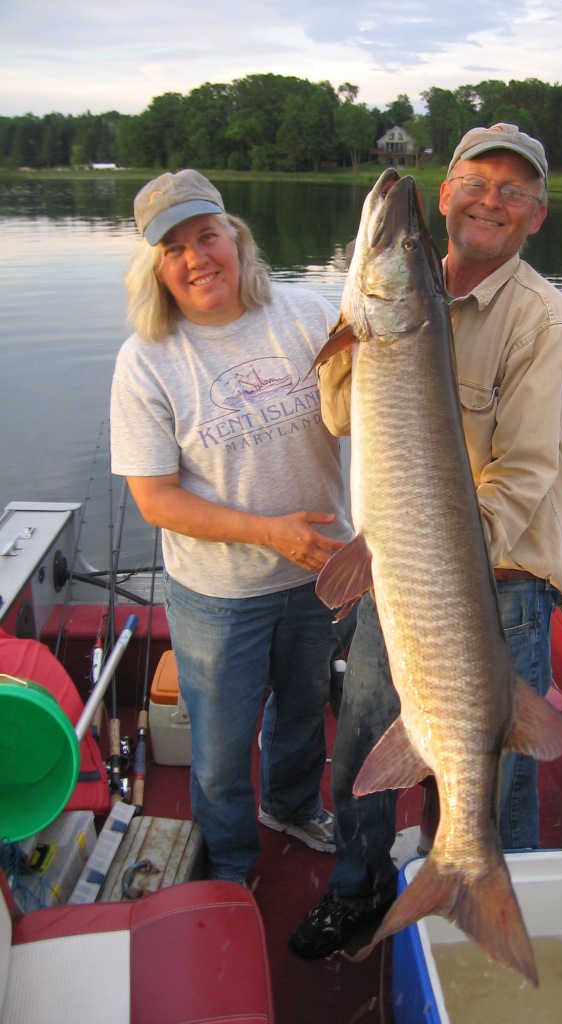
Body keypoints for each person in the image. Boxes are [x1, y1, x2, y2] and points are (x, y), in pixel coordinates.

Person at [289, 124, 562, 957]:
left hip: (500, 578)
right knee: (361, 740)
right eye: (474, 182)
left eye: (514, 190)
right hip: (402, 567)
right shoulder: (393, 307)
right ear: (451, 193)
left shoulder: (546, 326)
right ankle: (357, 895)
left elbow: (525, 476)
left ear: (538, 215)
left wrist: (434, 555)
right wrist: (359, 329)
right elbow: (344, 417)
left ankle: (485, 899)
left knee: (495, 766)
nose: (490, 200)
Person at [110, 169, 355, 884]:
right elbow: (156, 500)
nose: (197, 258)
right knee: (220, 744)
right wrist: (270, 532)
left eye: (207, 235)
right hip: (218, 594)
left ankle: (290, 805)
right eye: (175, 247)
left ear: (236, 239)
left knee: (306, 711)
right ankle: (231, 861)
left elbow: (388, 387)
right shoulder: (146, 361)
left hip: (318, 572)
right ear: (155, 267)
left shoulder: (309, 315)